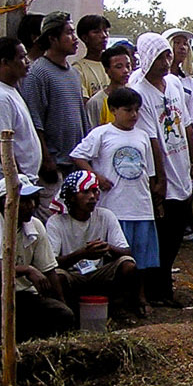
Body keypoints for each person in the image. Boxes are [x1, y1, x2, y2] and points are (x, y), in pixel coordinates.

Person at [69, 85, 159, 314]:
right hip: (115, 206)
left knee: (142, 256)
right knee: (116, 257)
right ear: (114, 110)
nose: (134, 115)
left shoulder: (142, 136)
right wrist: (96, 177)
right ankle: (117, 299)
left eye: (137, 110)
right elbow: (78, 156)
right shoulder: (102, 134)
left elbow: (148, 171)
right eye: (128, 110)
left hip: (140, 205)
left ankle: (141, 297)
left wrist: (154, 198)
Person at [131, 32, 193, 308]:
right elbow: (151, 139)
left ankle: (164, 286)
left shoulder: (173, 84)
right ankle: (156, 288)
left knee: (177, 228)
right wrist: (158, 178)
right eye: (159, 57)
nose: (164, 62)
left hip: (181, 162)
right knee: (161, 231)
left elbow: (185, 122)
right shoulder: (139, 89)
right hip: (161, 168)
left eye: (167, 55)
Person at [0, 173, 76, 340]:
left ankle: (24, 338)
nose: (31, 205)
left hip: (23, 295)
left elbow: (49, 270)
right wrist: (26, 269)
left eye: (33, 199)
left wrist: (63, 304)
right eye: (24, 200)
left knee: (62, 315)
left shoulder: (35, 225)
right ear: (6, 202)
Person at [45, 170, 141, 319]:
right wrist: (81, 254)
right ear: (71, 197)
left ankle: (119, 306)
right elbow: (51, 263)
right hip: (72, 274)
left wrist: (108, 247)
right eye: (85, 192)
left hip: (99, 271)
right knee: (57, 276)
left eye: (95, 191)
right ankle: (69, 312)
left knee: (128, 265)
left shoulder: (105, 215)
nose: (92, 197)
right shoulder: (56, 222)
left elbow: (127, 252)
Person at [21, 12, 86, 215]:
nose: (74, 38)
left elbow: (80, 116)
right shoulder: (37, 73)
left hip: (74, 164)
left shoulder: (74, 73)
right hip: (54, 167)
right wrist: (46, 159)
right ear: (52, 38)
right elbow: (34, 119)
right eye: (68, 33)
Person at [0, 37, 42, 193]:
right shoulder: (0, 96)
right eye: (21, 57)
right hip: (9, 184)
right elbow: (1, 145)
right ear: (4, 62)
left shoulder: (10, 89)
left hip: (24, 180)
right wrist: (17, 181)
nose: (27, 62)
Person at [84, 45, 134, 129]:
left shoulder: (135, 97)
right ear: (107, 70)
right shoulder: (97, 102)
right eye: (119, 67)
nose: (125, 71)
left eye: (128, 66)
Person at [73, 14, 111, 100]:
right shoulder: (78, 69)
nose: (104, 35)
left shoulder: (114, 64)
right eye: (97, 32)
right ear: (85, 38)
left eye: (106, 31)